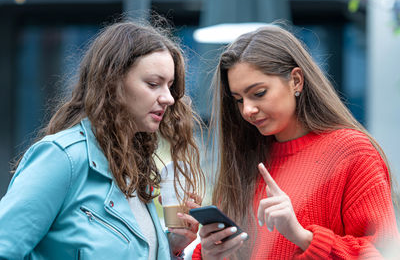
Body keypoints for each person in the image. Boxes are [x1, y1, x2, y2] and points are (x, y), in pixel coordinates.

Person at [191, 24, 400, 259]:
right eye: (238, 100)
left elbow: (384, 253)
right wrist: (209, 254)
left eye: (258, 93)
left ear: (296, 80)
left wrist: (302, 237)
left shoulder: (352, 152)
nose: (247, 109)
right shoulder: (245, 160)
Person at [0, 20, 205, 259]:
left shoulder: (133, 168)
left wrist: (172, 245)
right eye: (153, 84)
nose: (168, 98)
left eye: (170, 86)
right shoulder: (62, 157)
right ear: (113, 82)